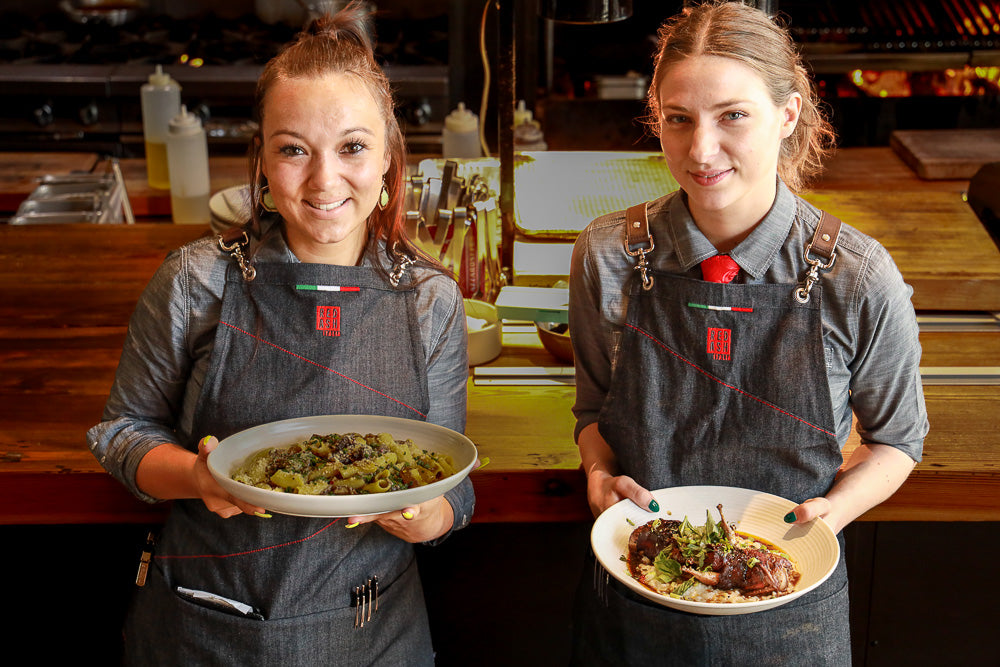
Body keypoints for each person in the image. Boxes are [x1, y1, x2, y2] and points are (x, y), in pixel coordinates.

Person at [87, 6, 474, 664]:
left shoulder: (430, 300)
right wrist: (198, 476)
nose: (325, 180)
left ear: (387, 156)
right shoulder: (195, 280)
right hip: (208, 622)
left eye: (352, 147)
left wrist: (429, 516)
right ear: (263, 160)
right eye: (294, 148)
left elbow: (453, 482)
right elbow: (122, 433)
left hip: (370, 626)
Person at [568, 1, 927, 664]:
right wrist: (599, 472)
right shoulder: (607, 254)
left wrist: (832, 515)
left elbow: (898, 441)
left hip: (793, 609)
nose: (701, 150)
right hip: (635, 608)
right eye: (679, 119)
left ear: (788, 114)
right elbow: (594, 411)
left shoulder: (858, 274)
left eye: (733, 115)